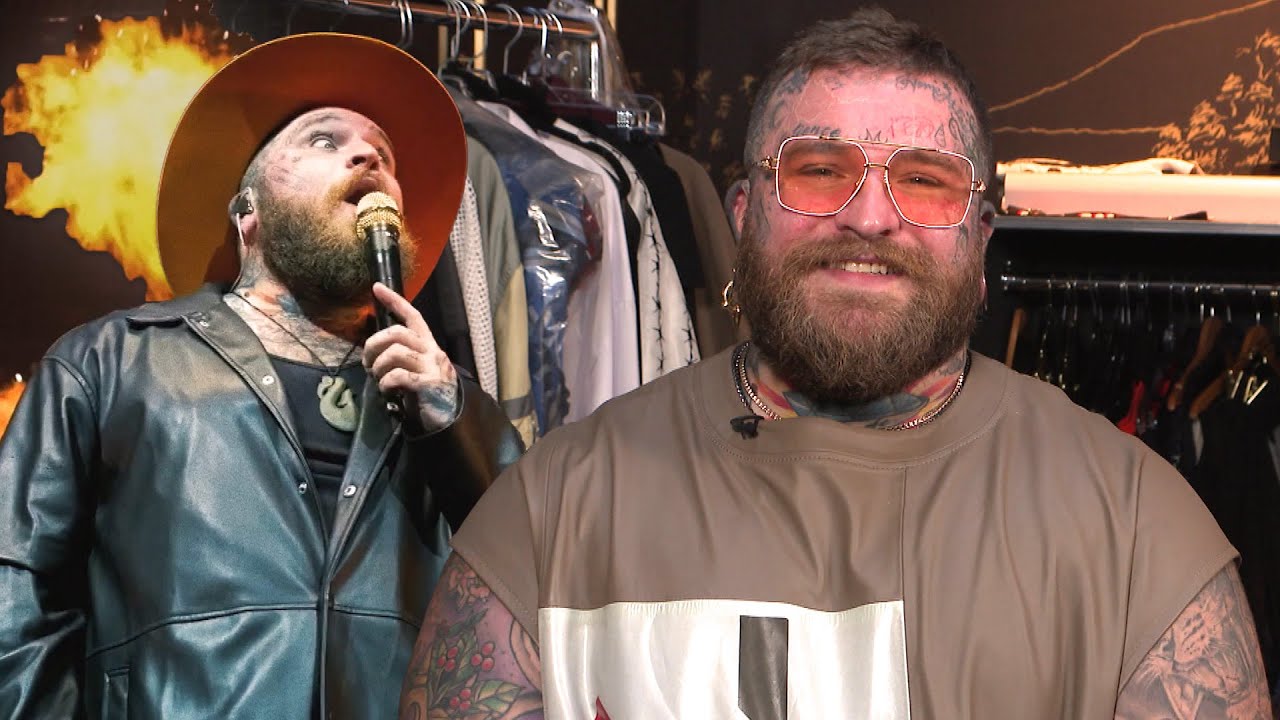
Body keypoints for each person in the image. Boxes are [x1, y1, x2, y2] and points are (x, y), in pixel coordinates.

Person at [399, 9, 1272, 720]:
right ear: (743, 215)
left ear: (981, 239)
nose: (869, 216)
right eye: (819, 169)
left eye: (924, 179)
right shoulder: (550, 516)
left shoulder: (1138, 534)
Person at [0, 33, 523, 719]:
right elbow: (17, 597)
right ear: (247, 211)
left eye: (385, 156)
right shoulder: (111, 362)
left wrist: (454, 424)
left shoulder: (448, 407)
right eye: (325, 141)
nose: (369, 157)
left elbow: (534, 593)